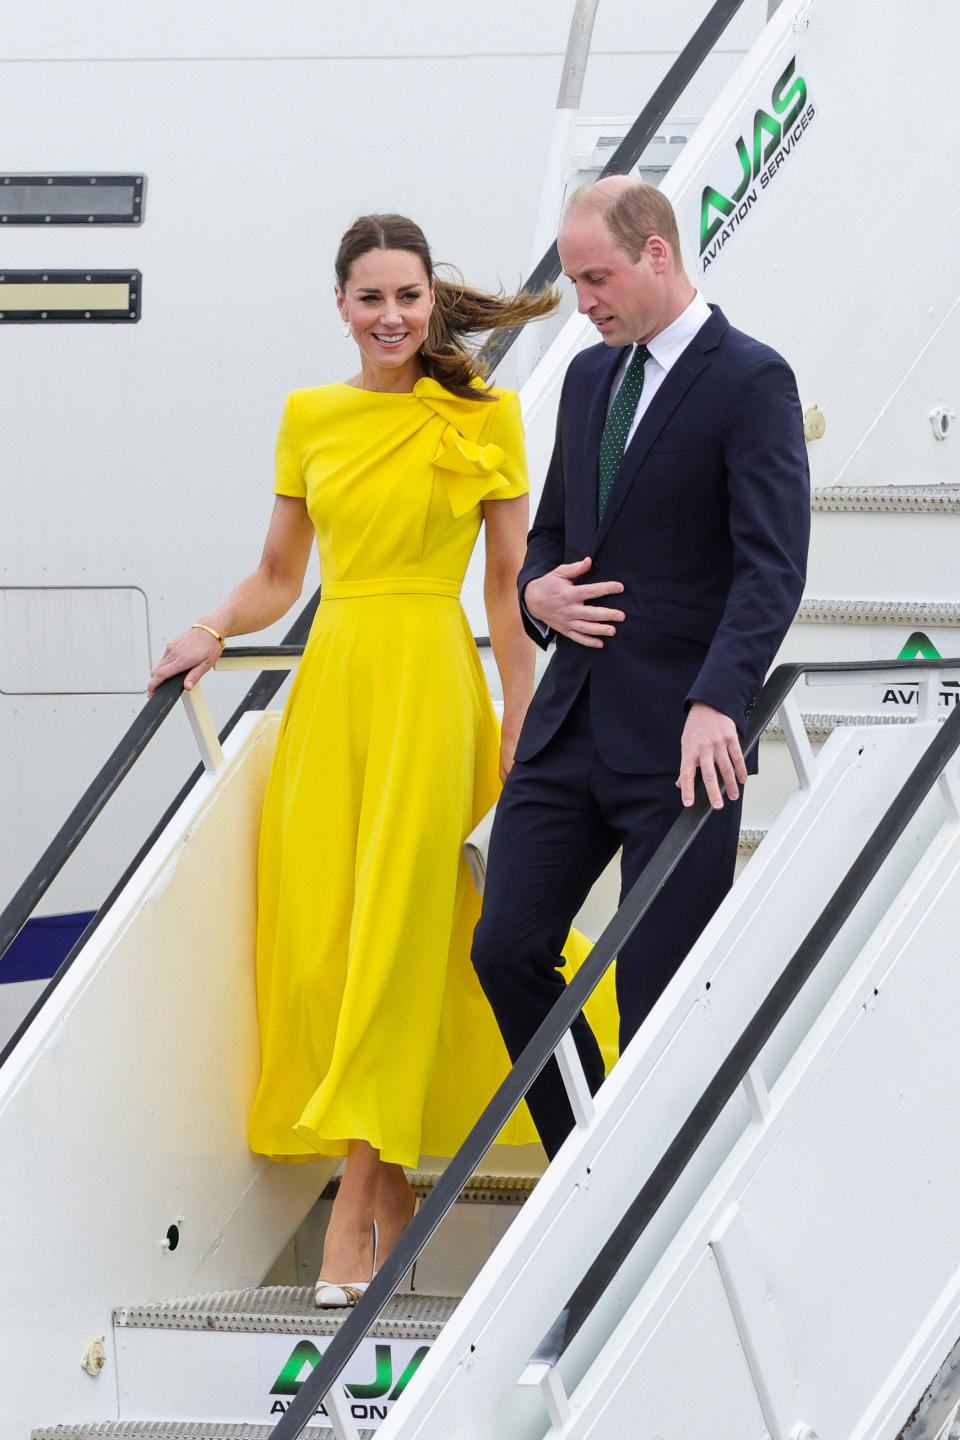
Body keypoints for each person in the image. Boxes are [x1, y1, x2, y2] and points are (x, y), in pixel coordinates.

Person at [146, 214, 596, 1306]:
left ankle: (352, 1213)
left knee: (398, 934)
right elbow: (277, 576)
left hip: (432, 690)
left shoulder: (482, 416)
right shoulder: (310, 417)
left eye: (409, 296)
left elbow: (505, 587)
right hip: (334, 688)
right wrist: (211, 627)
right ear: (341, 306)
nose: (392, 317)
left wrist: (518, 711)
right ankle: (388, 1176)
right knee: (333, 949)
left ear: (432, 300)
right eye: (371, 299)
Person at [471, 176, 811, 1160]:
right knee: (505, 950)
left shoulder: (750, 380)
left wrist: (720, 699)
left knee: (655, 982)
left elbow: (772, 563)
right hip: (569, 724)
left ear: (657, 252)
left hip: (680, 743)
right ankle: (594, 1157)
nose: (585, 302)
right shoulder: (587, 379)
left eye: (597, 278)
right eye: (577, 282)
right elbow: (553, 539)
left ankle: (638, 1186)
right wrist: (536, 594)